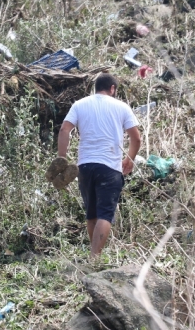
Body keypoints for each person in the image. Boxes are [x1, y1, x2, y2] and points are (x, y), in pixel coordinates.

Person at [57, 73, 141, 258]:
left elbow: (64, 130)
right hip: (109, 167)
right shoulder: (121, 107)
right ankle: (94, 258)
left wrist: (61, 160)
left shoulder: (80, 104)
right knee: (105, 214)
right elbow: (136, 137)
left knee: (92, 214)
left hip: (85, 167)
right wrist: (130, 159)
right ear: (112, 88)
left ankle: (94, 255)